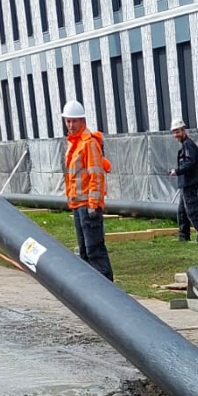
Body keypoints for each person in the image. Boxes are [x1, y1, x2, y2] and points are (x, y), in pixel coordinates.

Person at [62, 100, 114, 280]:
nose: (70, 125)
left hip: (88, 206)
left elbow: (96, 176)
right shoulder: (73, 143)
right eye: (68, 121)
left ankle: (107, 290)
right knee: (84, 251)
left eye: (74, 121)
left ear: (82, 121)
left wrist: (93, 204)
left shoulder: (89, 143)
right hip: (78, 205)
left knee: (94, 250)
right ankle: (93, 289)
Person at [168, 117, 198, 243]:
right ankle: (183, 235)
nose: (176, 135)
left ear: (183, 130)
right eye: (174, 132)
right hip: (185, 183)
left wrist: (177, 171)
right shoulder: (186, 145)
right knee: (182, 211)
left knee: (192, 210)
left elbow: (190, 162)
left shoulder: (188, 145)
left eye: (178, 131)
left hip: (189, 182)